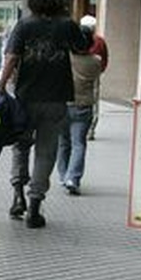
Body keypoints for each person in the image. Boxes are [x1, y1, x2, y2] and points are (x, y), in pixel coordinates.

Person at [0, 0, 91, 228]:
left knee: (21, 146)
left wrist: (1, 87)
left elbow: (11, 58)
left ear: (34, 3)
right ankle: (35, 206)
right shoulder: (67, 25)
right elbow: (82, 47)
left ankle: (18, 196)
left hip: (25, 97)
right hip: (56, 98)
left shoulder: (24, 25)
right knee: (46, 152)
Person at [56, 26, 104, 195]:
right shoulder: (96, 61)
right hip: (84, 106)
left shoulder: (65, 58)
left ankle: (63, 175)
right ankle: (73, 178)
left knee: (63, 142)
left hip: (64, 104)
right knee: (79, 143)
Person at [80, 15, 110, 140]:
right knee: (93, 100)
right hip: (94, 75)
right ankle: (90, 129)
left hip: (76, 73)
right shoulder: (100, 41)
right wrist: (100, 71)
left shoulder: (77, 40)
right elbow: (105, 58)